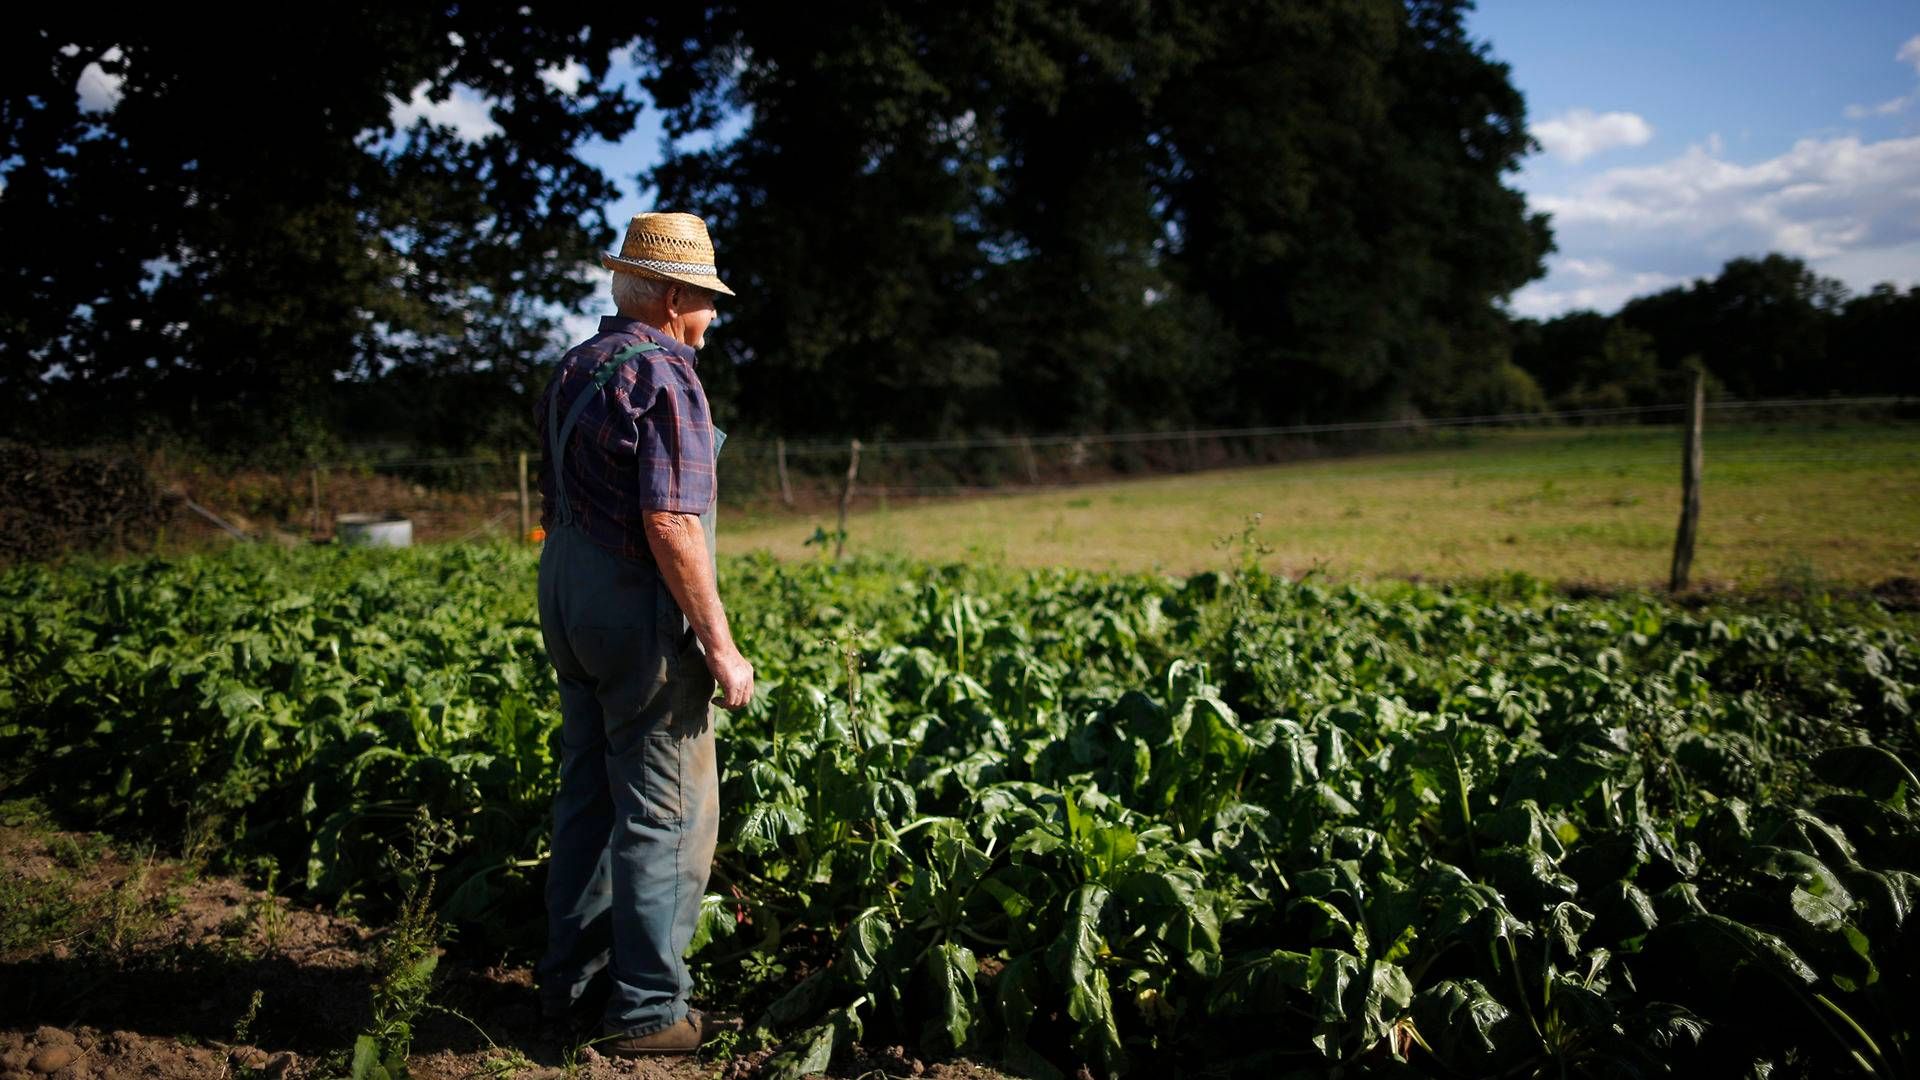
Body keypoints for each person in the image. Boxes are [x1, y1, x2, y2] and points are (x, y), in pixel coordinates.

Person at [532, 211, 754, 1056]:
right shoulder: (668, 375)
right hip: (635, 608)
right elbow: (671, 522)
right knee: (668, 811)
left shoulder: (577, 364)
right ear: (668, 297)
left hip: (568, 593)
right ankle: (650, 1012)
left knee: (588, 796)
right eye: (703, 300)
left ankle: (572, 990)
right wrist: (722, 648)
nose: (709, 317)